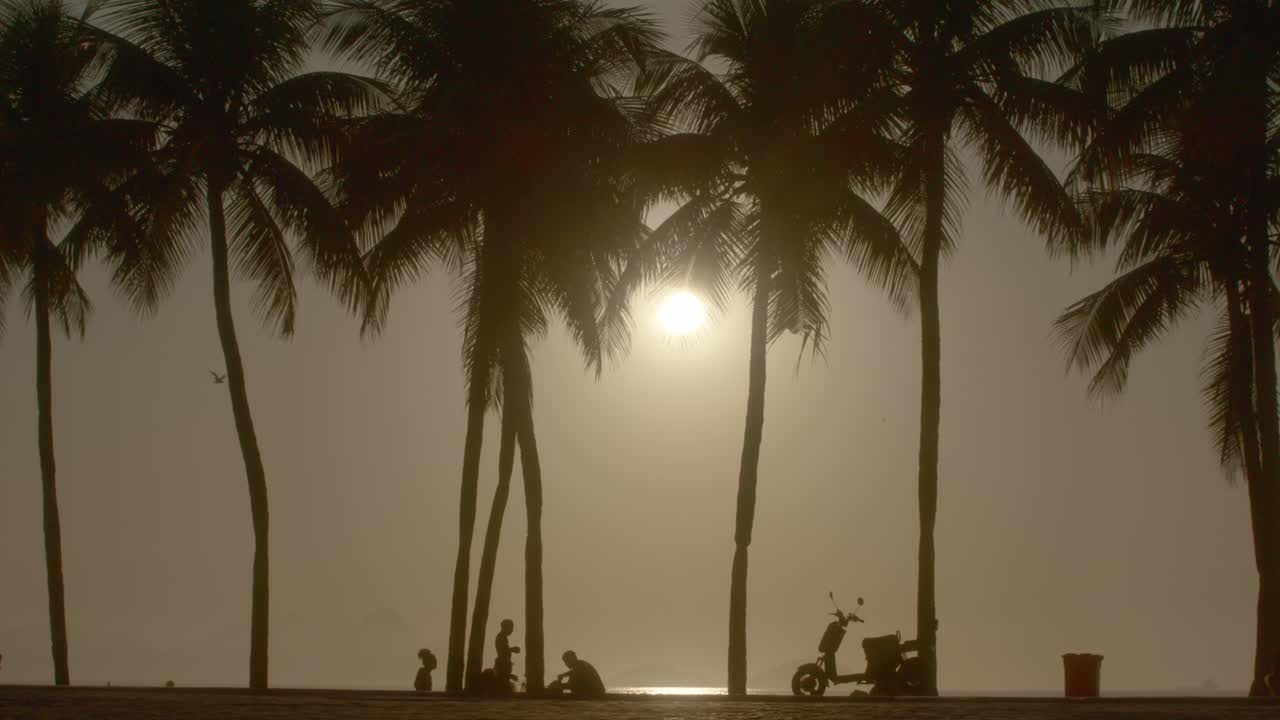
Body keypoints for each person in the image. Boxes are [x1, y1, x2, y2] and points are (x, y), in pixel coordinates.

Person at [494, 618, 520, 687]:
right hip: (502, 665)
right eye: (511, 628)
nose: (512, 630)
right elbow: (502, 651)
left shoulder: (503, 637)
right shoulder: (500, 637)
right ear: (505, 627)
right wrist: (512, 649)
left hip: (504, 666)